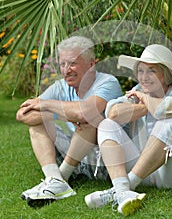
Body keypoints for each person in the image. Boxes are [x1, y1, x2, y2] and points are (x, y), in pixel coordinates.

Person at [85, 44, 172, 216]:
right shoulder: (138, 92)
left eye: (151, 71)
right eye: (140, 71)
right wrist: (144, 105)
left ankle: (123, 188)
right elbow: (113, 113)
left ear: (166, 74)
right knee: (106, 125)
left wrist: (144, 100)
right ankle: (123, 190)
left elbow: (163, 110)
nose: (144, 77)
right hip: (147, 173)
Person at [16, 35, 122, 207]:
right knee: (36, 123)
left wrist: (46, 104)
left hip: (103, 162)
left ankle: (62, 177)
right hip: (76, 154)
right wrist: (66, 115)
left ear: (91, 64)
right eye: (62, 64)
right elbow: (23, 114)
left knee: (92, 120)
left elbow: (86, 113)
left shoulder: (108, 83)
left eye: (72, 63)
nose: (66, 70)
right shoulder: (60, 86)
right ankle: (54, 179)